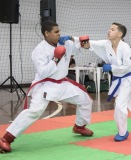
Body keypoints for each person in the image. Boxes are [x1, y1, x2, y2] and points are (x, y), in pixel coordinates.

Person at [0, 20, 93, 153]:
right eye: (56, 32)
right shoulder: (39, 50)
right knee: (35, 111)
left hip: (62, 83)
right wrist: (55, 59)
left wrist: (79, 42)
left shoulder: (64, 43)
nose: (59, 34)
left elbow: (77, 49)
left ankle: (79, 126)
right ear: (47, 33)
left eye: (59, 31)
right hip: (46, 84)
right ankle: (6, 138)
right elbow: (43, 72)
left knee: (85, 100)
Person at [77, 22, 131, 141]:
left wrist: (111, 68)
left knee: (120, 106)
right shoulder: (107, 44)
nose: (109, 31)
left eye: (112, 29)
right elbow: (91, 43)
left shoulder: (125, 48)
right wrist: (71, 39)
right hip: (117, 80)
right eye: (109, 28)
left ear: (119, 34)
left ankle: (123, 132)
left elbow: (128, 67)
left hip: (127, 80)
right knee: (130, 105)